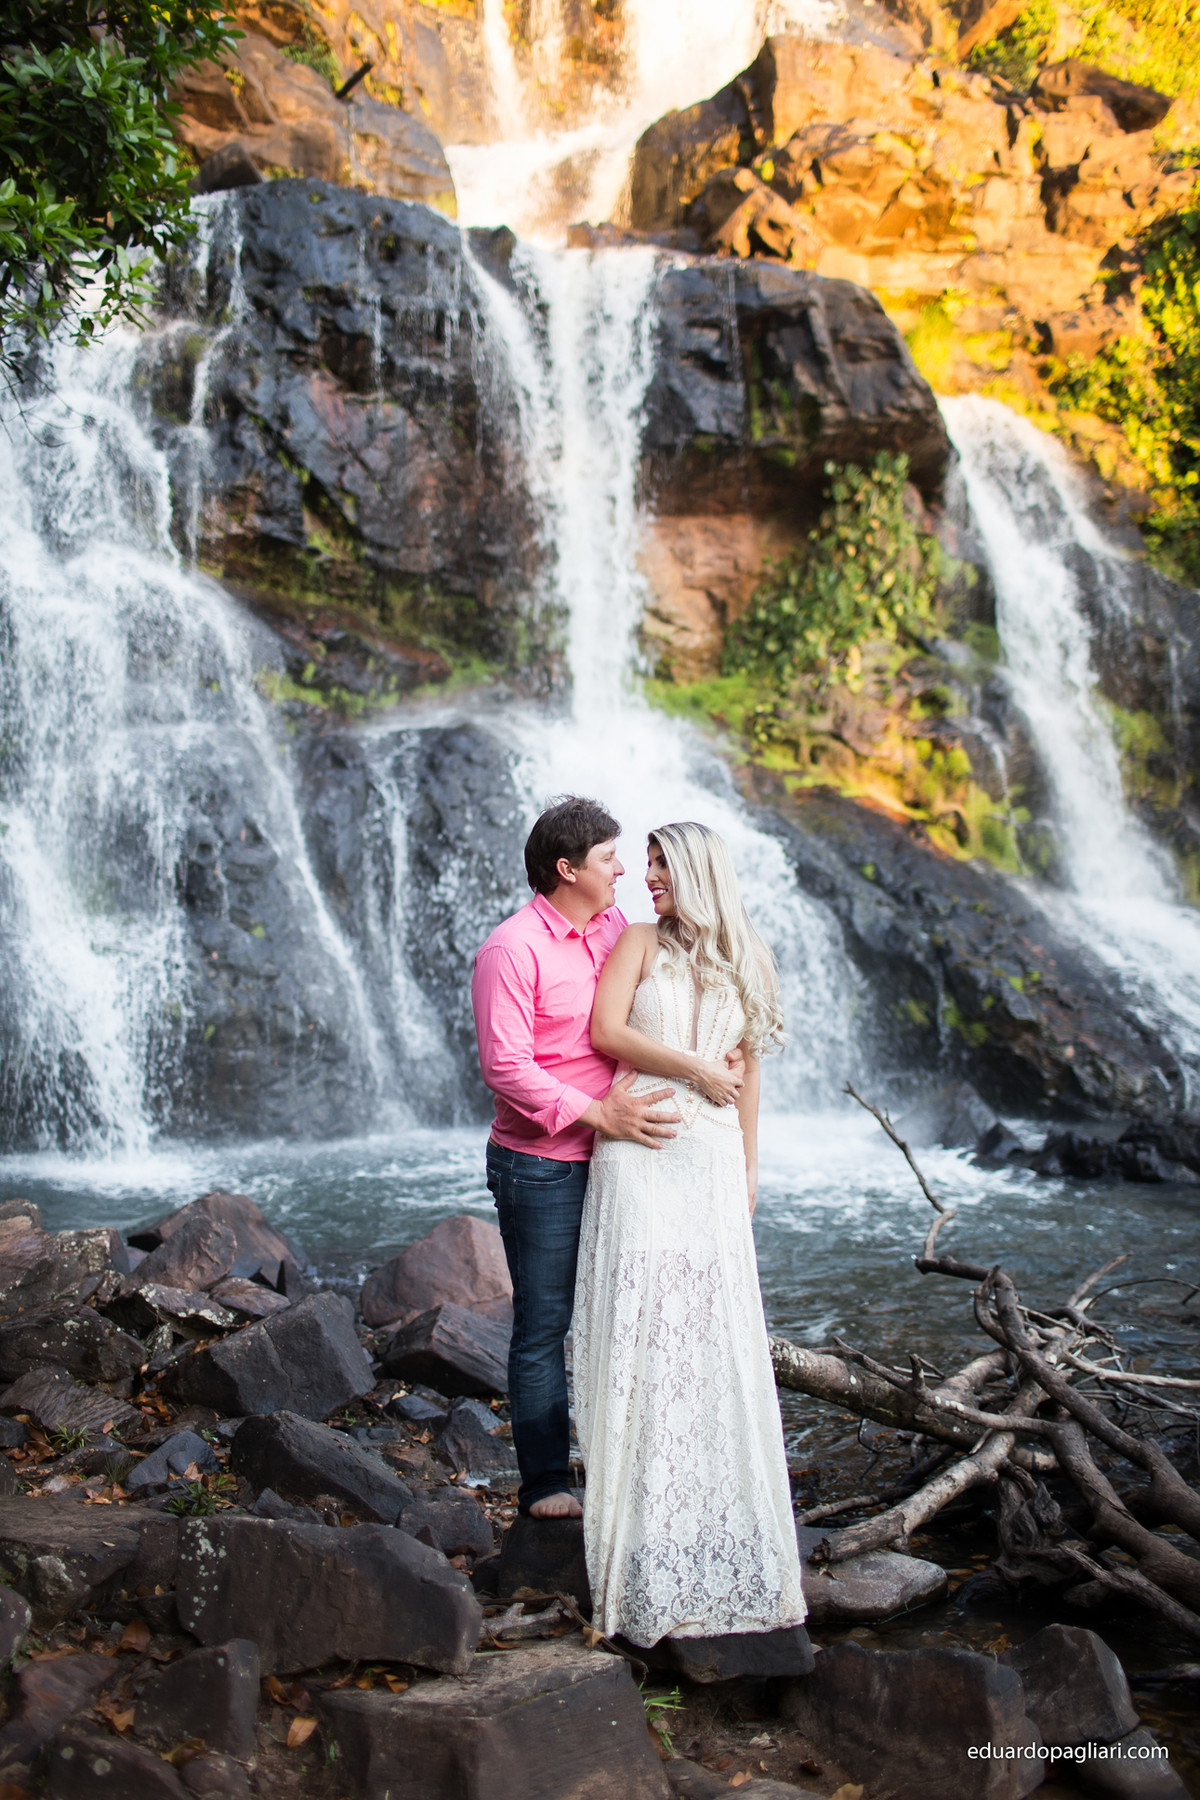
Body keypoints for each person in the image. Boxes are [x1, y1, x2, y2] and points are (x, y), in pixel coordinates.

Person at [472, 798, 743, 1519]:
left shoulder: (618, 929)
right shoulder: (512, 948)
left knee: (627, 1311)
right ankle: (546, 1484)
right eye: (609, 858)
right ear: (568, 869)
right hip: (546, 1162)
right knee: (544, 1322)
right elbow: (505, 1066)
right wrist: (600, 1114)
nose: (625, 869)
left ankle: (639, 1462)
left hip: (630, 1159)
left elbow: (660, 1003)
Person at [573, 820, 808, 1647]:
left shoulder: (749, 957)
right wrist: (694, 1068)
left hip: (708, 1161)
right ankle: (637, 1544)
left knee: (708, 1338)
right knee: (644, 1328)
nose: (648, 878)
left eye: (663, 865)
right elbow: (608, 1033)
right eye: (644, 864)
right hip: (640, 1147)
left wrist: (747, 1172)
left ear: (701, 871)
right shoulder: (636, 940)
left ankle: (705, 1529)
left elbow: (750, 1081)